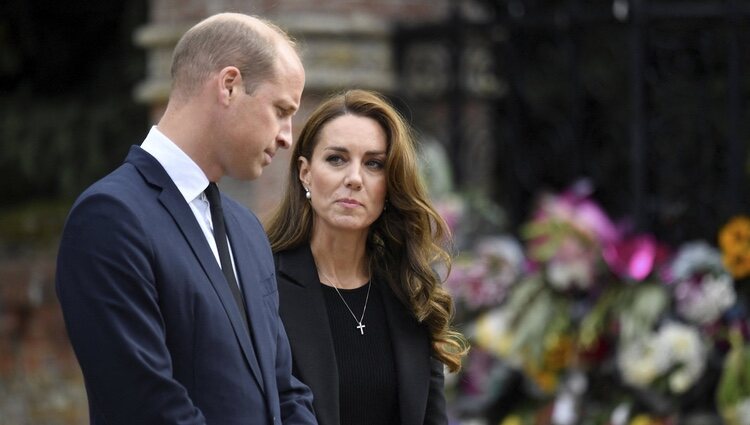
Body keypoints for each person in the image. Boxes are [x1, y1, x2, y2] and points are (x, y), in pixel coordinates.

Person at [55, 13, 316, 425]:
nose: (287, 136)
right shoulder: (110, 218)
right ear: (229, 85)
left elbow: (285, 389)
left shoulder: (247, 229)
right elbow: (145, 406)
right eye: (281, 110)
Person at [265, 89, 469, 425]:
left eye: (374, 164)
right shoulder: (264, 283)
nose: (354, 179)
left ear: (389, 185)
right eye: (336, 159)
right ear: (305, 173)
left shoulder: (410, 287)